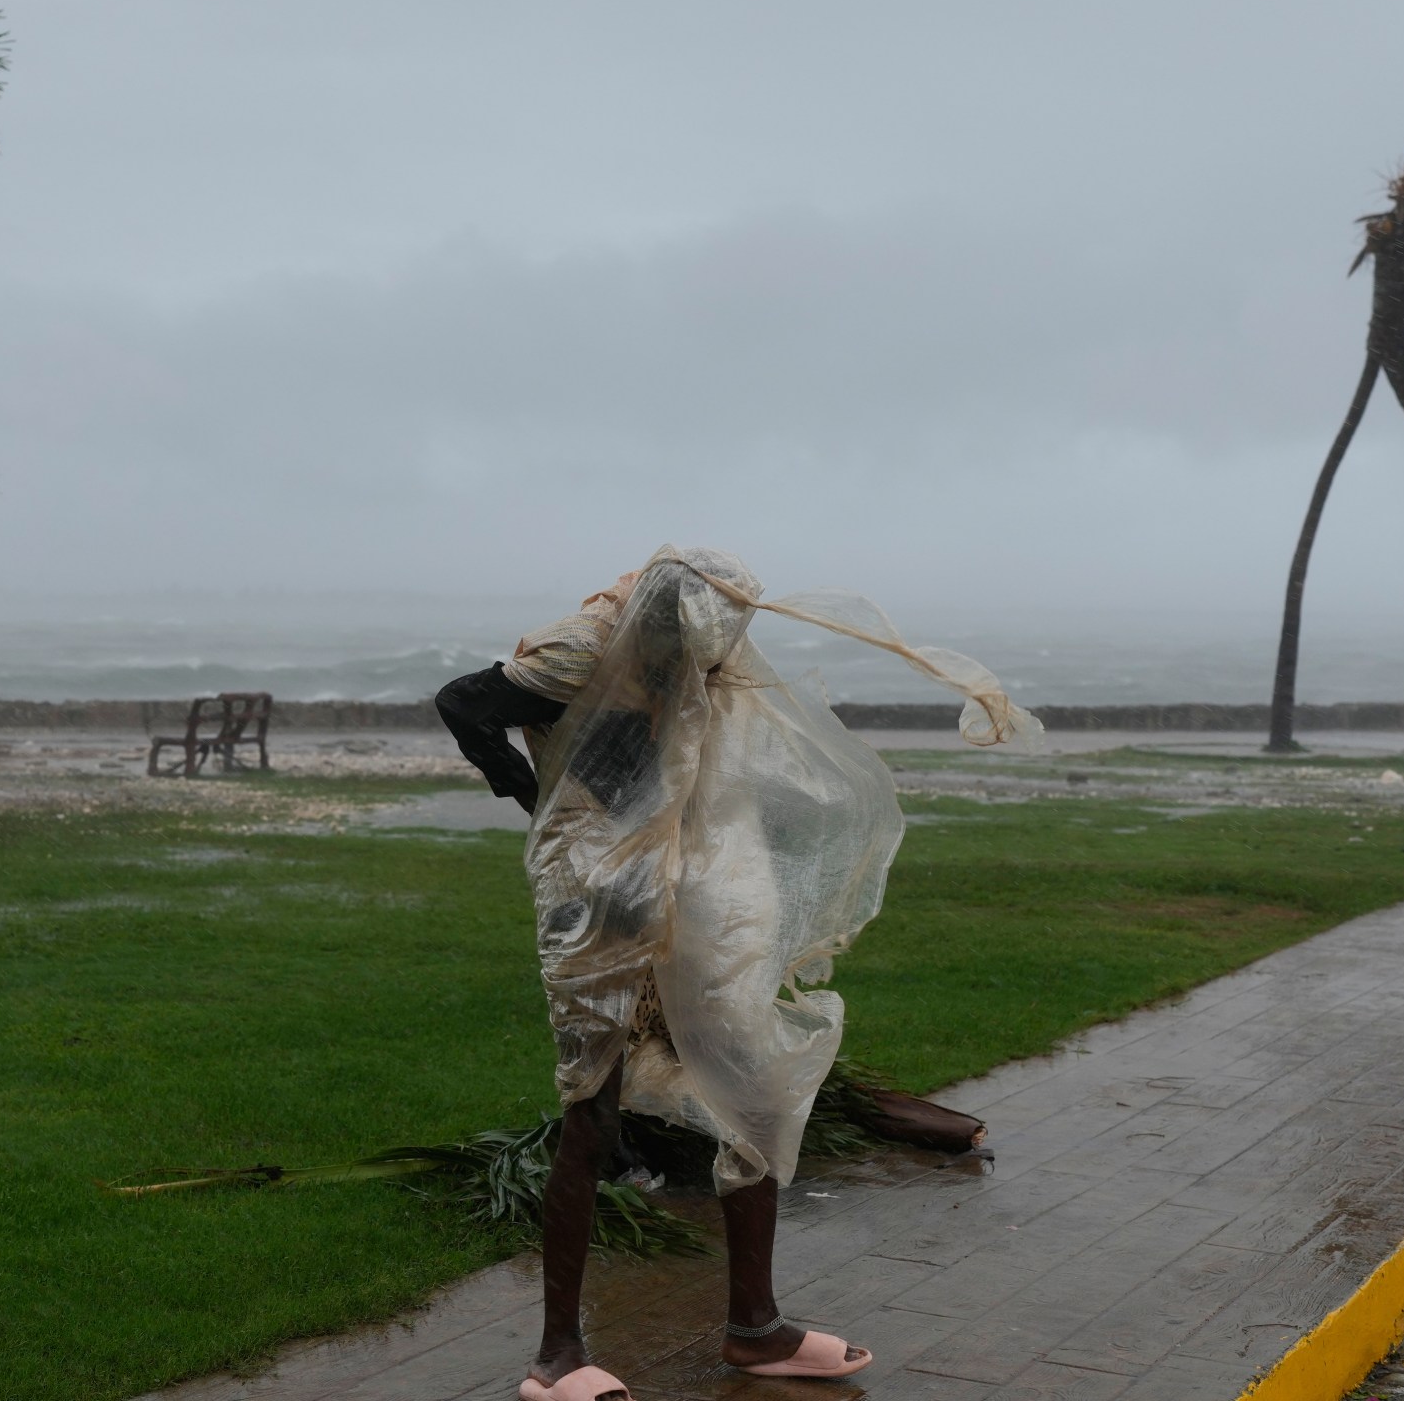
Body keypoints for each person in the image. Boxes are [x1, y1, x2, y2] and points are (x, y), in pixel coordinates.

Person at [438, 546, 1038, 1401]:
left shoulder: (707, 654)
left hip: (692, 879)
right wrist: (538, 796)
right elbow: (463, 702)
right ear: (667, 617)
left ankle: (756, 1329)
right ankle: (557, 1357)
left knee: (752, 1093)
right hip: (600, 894)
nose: (728, 647)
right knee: (594, 1112)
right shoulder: (581, 650)